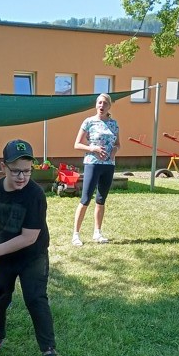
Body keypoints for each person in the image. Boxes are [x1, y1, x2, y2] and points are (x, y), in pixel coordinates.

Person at [0, 139, 61, 356]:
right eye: (16, 171)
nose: (22, 176)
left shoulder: (35, 195)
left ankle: (48, 350)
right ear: (3, 167)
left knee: (35, 299)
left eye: (27, 171)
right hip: (3, 256)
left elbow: (29, 237)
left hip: (31, 256)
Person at [71, 93, 120, 245]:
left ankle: (97, 233)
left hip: (108, 165)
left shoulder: (114, 124)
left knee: (101, 199)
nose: (101, 105)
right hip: (92, 163)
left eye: (105, 103)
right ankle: (76, 235)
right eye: (99, 103)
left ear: (109, 106)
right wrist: (93, 148)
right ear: (96, 105)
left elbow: (118, 144)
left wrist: (115, 150)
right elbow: (77, 144)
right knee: (85, 199)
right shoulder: (89, 122)